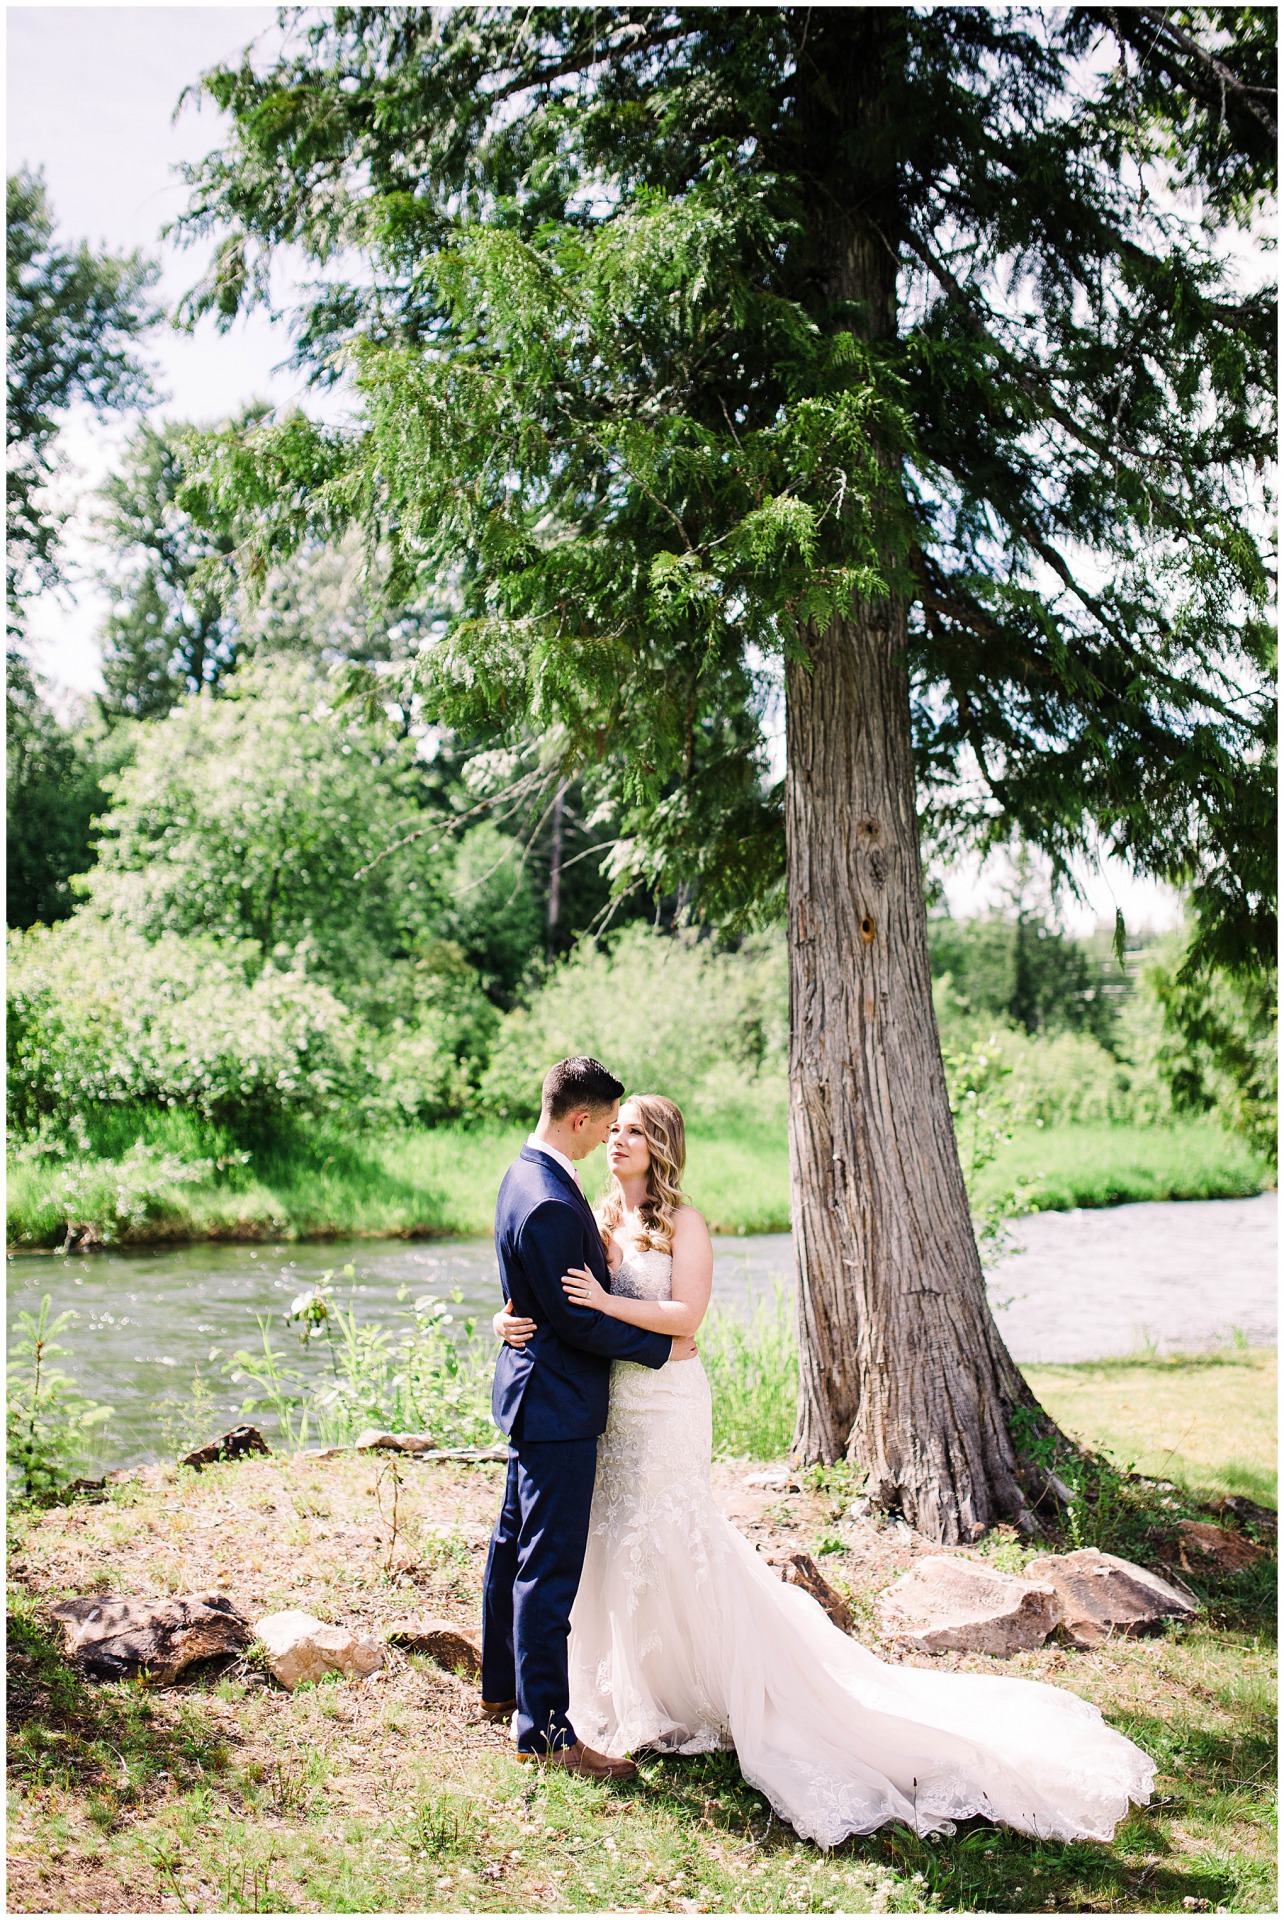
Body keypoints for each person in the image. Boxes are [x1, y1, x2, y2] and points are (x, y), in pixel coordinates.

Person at [493, 1092, 1157, 1849]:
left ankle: (720, 1687)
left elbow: (687, 1320)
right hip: (612, 1403)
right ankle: (631, 1691)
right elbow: (546, 1284)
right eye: (612, 1129)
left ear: (663, 1145)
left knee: (672, 1534)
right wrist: (507, 1317)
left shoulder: (686, 1223)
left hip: (668, 1399)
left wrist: (612, 1305)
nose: (617, 1141)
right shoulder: (591, 1212)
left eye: (634, 1132)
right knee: (615, 1539)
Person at [480, 1056, 700, 1783]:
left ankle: (505, 1689)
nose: (609, 1136)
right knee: (546, 1568)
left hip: (539, 1394)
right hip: (559, 1404)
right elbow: (574, 1319)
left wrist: (515, 1318)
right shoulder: (548, 1197)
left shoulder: (524, 1176)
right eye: (607, 1123)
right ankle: (544, 1733)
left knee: (513, 1544)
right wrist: (659, 1349)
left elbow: (536, 1296)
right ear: (580, 1119)